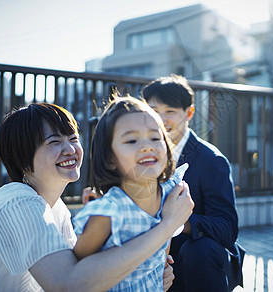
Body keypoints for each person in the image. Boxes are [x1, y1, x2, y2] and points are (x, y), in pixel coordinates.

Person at [0, 102, 193, 291]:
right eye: (54, 142)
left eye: (72, 139)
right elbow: (69, 284)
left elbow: (87, 274)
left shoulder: (56, 208)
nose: (70, 150)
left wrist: (143, 271)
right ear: (23, 160)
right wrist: (167, 225)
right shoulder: (18, 203)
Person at [72, 95, 189, 291]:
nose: (147, 146)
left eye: (154, 137)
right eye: (132, 140)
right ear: (110, 158)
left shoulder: (172, 190)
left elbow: (164, 248)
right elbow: (77, 274)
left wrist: (161, 268)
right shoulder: (108, 213)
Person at [142, 74, 245, 292]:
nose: (160, 120)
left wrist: (179, 221)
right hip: (155, 252)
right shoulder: (141, 154)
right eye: (153, 111)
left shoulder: (211, 161)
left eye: (170, 111)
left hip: (198, 258)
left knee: (200, 250)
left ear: (189, 113)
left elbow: (227, 228)